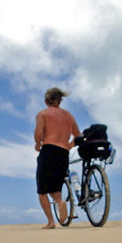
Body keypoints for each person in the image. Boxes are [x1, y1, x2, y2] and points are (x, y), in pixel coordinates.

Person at [34, 87, 81, 229]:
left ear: (47, 101)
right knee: (56, 186)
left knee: (42, 189)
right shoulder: (69, 116)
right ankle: (60, 201)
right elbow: (78, 136)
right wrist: (68, 146)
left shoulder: (43, 114)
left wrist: (37, 144)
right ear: (59, 101)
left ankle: (51, 222)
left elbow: (38, 133)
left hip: (49, 149)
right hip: (63, 152)